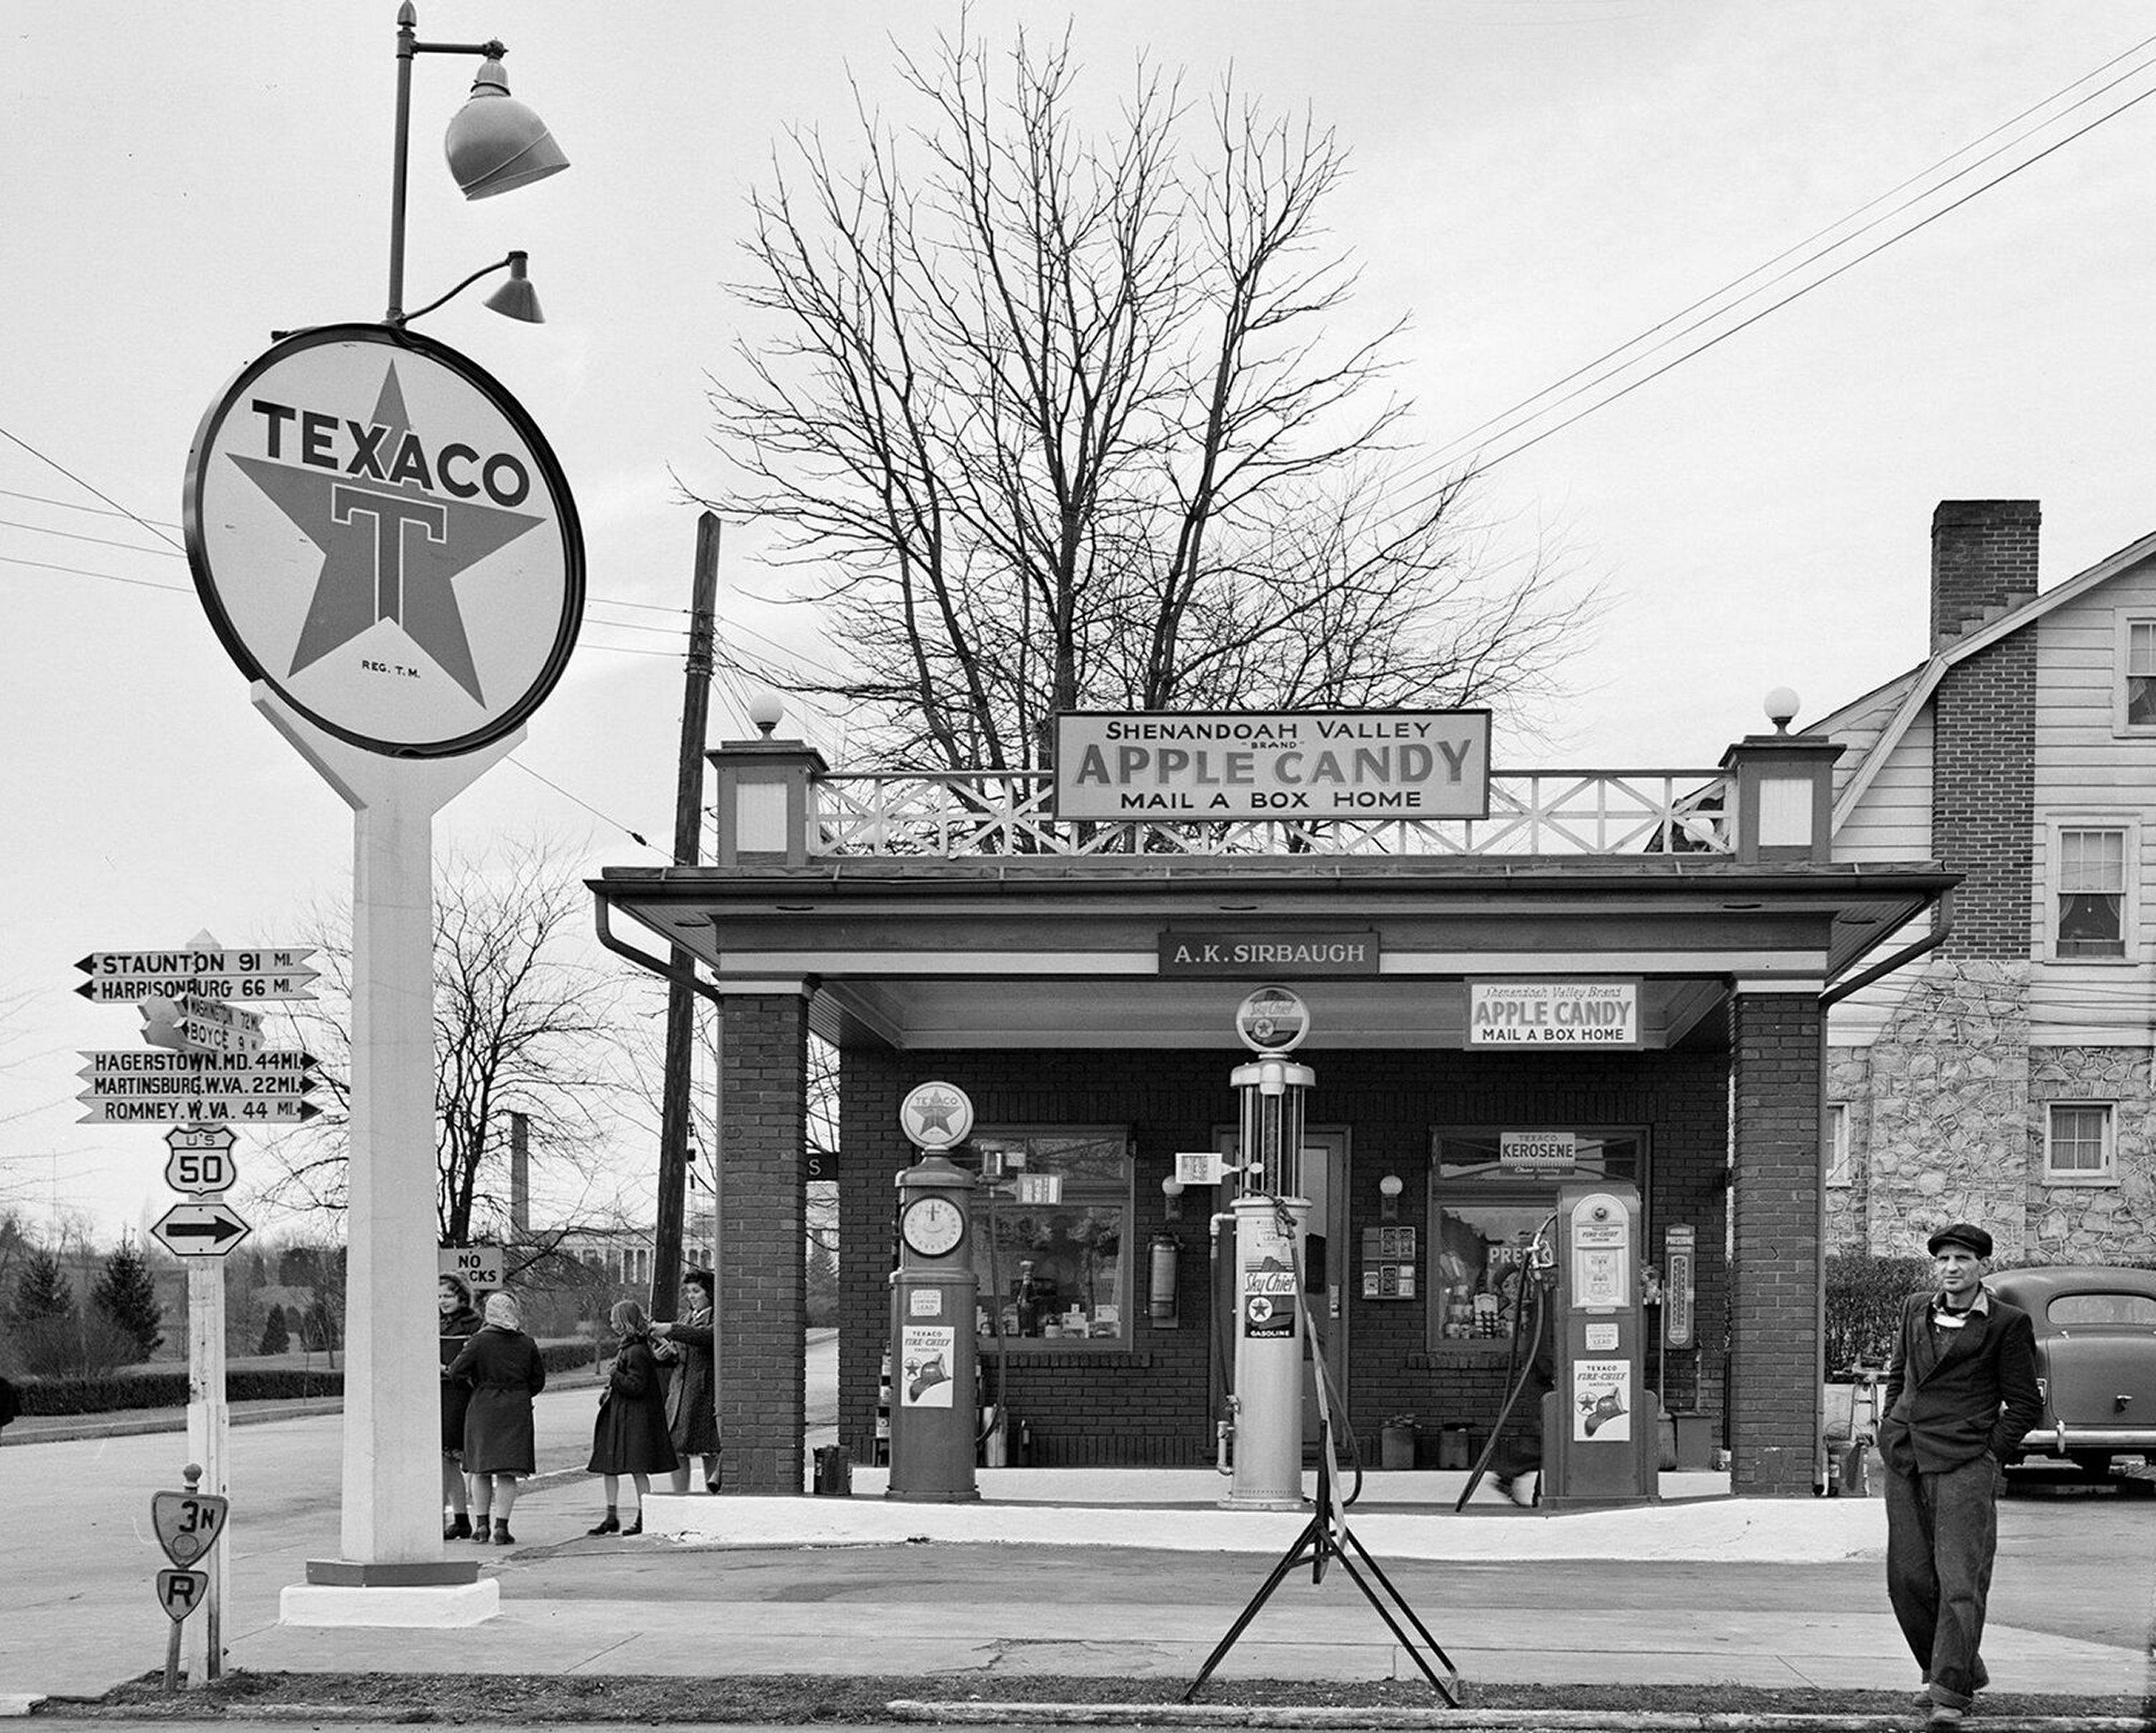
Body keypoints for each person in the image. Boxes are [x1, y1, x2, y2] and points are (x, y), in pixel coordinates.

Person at [1878, 1222, 2041, 1729]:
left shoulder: (2006, 1323)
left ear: (1982, 1267)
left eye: (1963, 1260)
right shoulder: (1914, 1308)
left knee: (1959, 1582)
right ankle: (1958, 1666)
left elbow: (2025, 1404)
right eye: (1944, 1259)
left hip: (1964, 1463)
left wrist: (1988, 1454)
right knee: (1907, 1579)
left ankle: (1949, 1690)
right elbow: (1899, 1374)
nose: (1952, 1268)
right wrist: (1891, 1424)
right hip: (1906, 1457)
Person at [448, 1290, 547, 1545]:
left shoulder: (479, 1341)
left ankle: (481, 1526)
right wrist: (518, 1393)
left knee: (480, 1470)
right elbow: (538, 1381)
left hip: (483, 1406)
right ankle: (502, 1527)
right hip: (516, 1409)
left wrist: (476, 1386)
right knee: (508, 1472)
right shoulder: (526, 1343)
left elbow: (457, 1371)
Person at [584, 1300, 678, 1535]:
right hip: (624, 1415)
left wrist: (615, 1374)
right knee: (611, 1465)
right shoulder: (634, 1346)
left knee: (636, 1467)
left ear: (624, 1321)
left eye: (615, 1319)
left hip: (632, 1416)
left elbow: (636, 1385)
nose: (611, 1323)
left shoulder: (634, 1350)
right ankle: (614, 1517)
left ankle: (641, 1516)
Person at [652, 1268, 719, 1492]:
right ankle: (680, 1496)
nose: (691, 1296)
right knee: (676, 1448)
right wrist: (666, 1356)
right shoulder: (686, 1318)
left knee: (709, 1449)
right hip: (680, 1394)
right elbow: (682, 1353)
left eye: (696, 1291)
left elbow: (705, 1337)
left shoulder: (717, 1317)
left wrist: (671, 1329)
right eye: (688, 1292)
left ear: (709, 1292)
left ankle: (714, 1496)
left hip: (703, 1393)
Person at [436, 1274, 485, 1539]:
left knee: (461, 1458)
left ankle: (482, 1519)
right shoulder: (437, 1323)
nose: (442, 1302)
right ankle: (459, 1518)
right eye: (439, 1297)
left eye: (448, 1296)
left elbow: (471, 1365)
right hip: (439, 1395)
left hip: (461, 1395)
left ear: (462, 1297)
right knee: (446, 1460)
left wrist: (445, 1369)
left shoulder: (474, 1325)